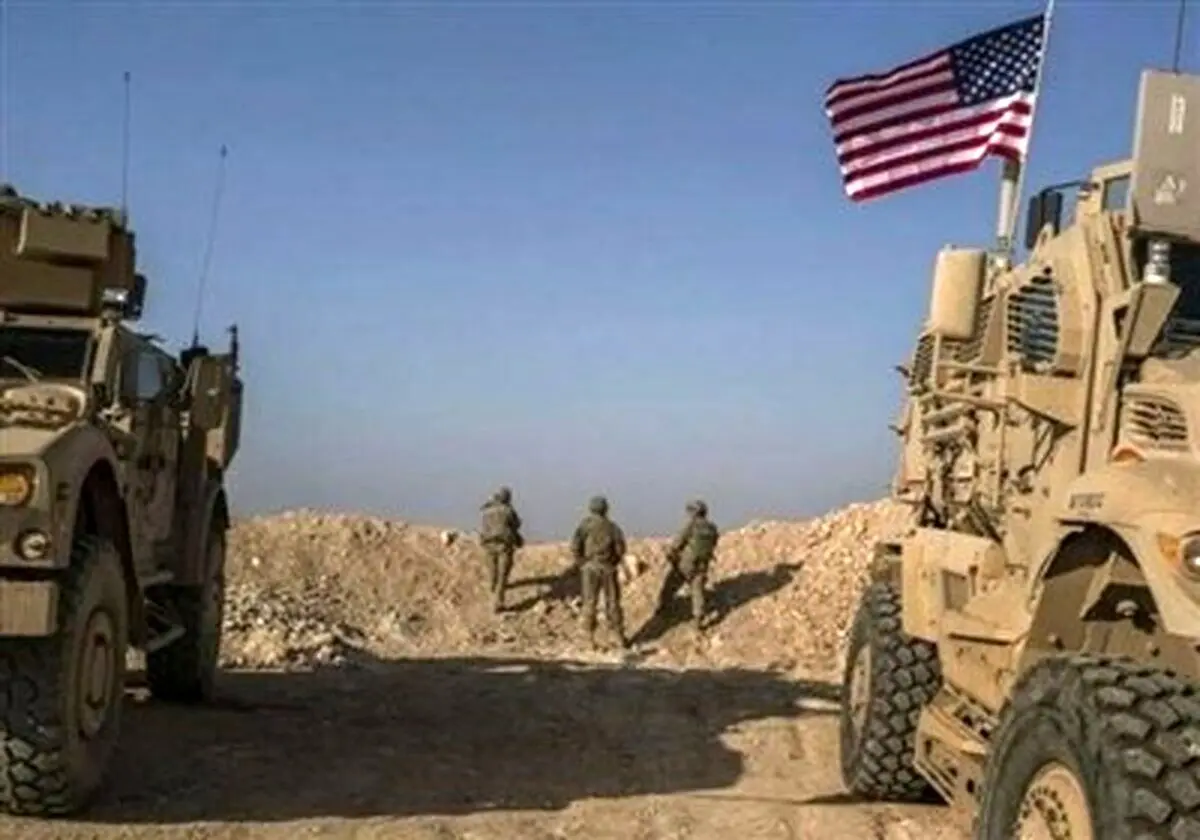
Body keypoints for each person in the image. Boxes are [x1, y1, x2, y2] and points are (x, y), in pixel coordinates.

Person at [569, 495, 630, 650]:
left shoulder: (585, 525)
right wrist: (613, 562)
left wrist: (582, 563)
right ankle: (617, 636)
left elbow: (575, 546)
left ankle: (586, 638)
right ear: (606, 509)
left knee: (589, 602)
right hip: (608, 568)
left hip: (590, 568)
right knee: (612, 602)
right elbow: (621, 549)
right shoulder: (612, 527)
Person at [655, 499, 720, 632]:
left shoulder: (691, 526)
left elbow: (678, 543)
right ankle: (698, 621)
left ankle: (663, 609)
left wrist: (670, 555)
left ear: (695, 512)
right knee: (697, 590)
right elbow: (713, 544)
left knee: (670, 585)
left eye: (690, 511)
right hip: (702, 564)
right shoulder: (712, 528)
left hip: (686, 563)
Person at [479, 486, 524, 612]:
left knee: (492, 568)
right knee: (503, 573)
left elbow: (484, 527)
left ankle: (492, 585)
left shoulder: (487, 510)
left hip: (489, 544)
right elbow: (516, 525)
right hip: (504, 545)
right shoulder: (508, 510)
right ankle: (498, 602)